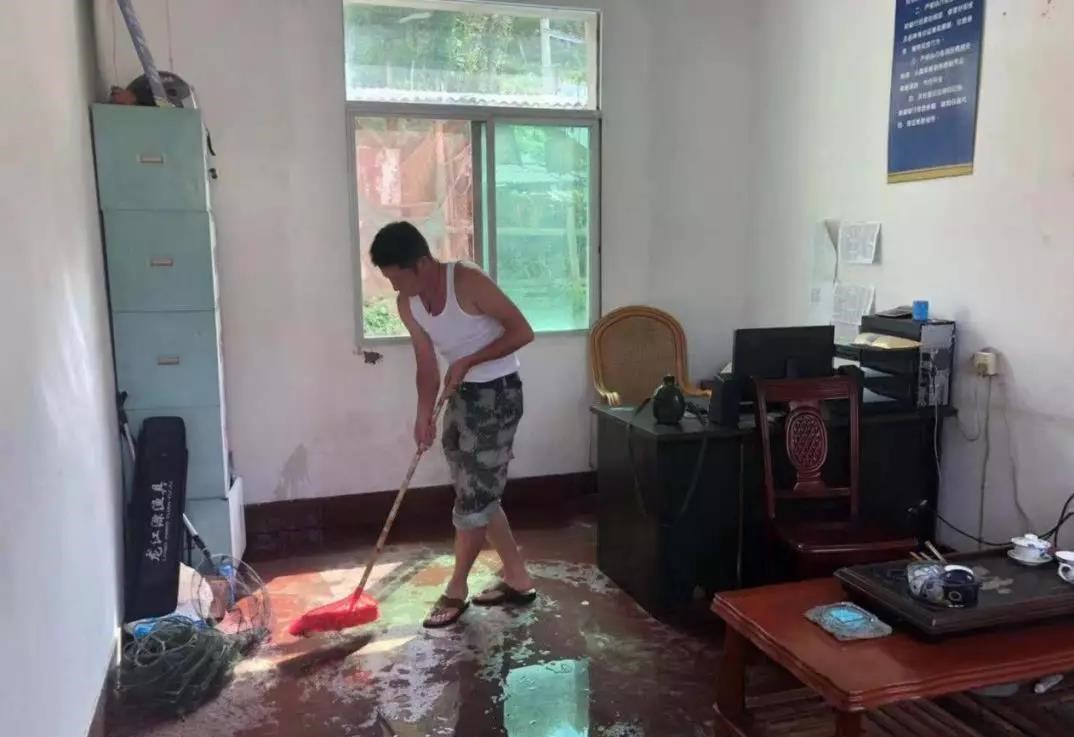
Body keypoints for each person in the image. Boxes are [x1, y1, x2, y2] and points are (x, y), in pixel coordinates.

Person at [370, 221, 537, 628]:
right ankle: (518, 580)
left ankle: (456, 589)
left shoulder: (467, 281)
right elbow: (426, 363)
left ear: (421, 263)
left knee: (474, 498)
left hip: (498, 395)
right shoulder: (408, 304)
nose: (395, 288)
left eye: (397, 278)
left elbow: (523, 331)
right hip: (460, 395)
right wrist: (422, 415)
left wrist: (468, 361)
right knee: (474, 489)